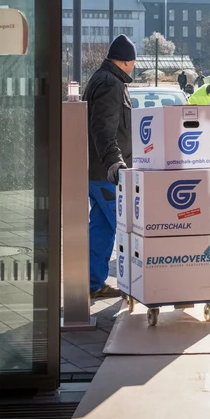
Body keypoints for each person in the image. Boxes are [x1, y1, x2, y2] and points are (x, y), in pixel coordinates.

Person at [83, 34, 136, 299]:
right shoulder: (110, 83)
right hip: (106, 174)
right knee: (129, 226)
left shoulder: (103, 78)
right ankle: (136, 284)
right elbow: (103, 129)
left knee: (102, 227)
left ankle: (93, 284)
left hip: (96, 171)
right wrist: (115, 163)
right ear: (128, 61)